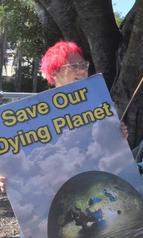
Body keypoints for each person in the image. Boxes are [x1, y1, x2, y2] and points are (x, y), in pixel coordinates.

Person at [0, 41, 128, 194]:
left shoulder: (99, 106)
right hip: (50, 195)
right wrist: (4, 176)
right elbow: (13, 151)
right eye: (74, 66)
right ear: (54, 72)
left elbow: (108, 153)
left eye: (83, 65)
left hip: (98, 188)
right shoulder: (31, 115)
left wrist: (118, 134)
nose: (81, 71)